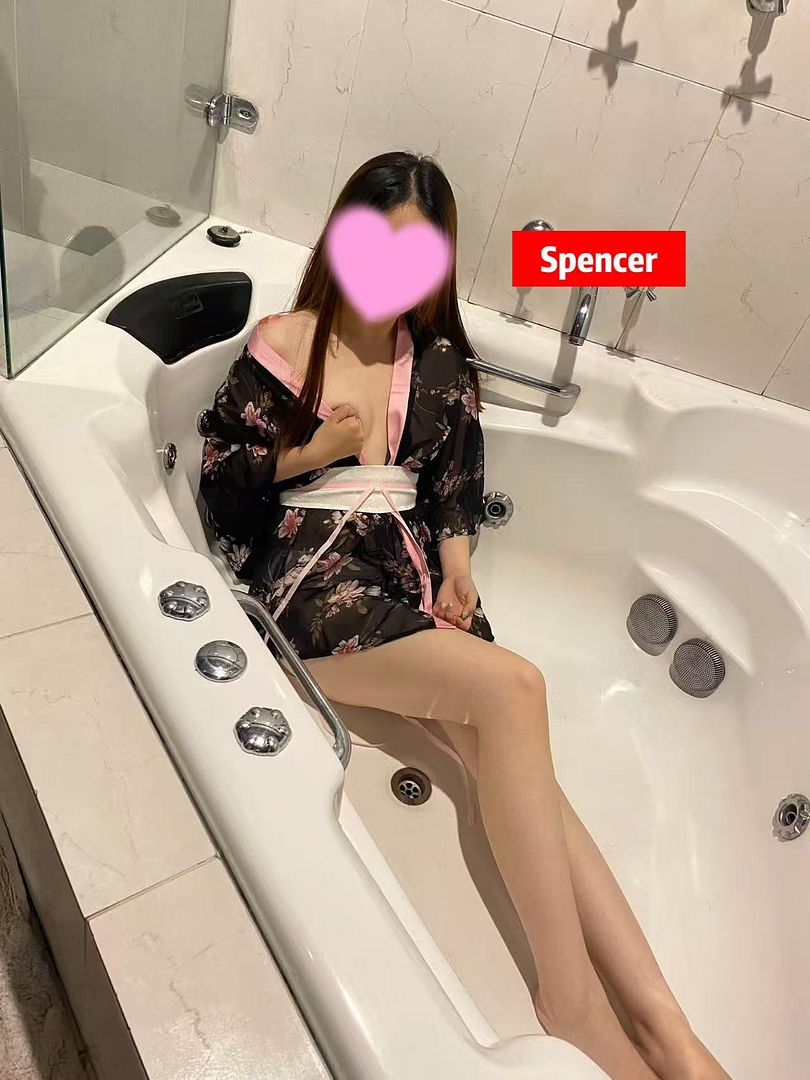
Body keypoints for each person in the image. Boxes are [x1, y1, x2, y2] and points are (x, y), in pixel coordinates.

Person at [199, 151, 729, 1080]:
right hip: (313, 582)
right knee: (515, 691)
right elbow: (221, 487)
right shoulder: (286, 344)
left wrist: (457, 570)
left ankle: (665, 1025)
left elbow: (453, 487)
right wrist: (310, 452)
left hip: (405, 574)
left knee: (507, 755)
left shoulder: (439, 361)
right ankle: (570, 1004)